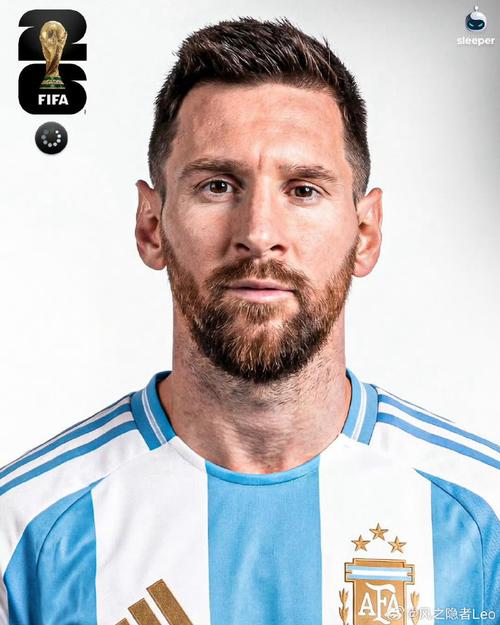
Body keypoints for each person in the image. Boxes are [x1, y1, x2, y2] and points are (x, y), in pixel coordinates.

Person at [0, 17, 498, 625]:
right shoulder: (23, 533)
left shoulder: (484, 519)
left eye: (303, 190)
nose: (260, 234)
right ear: (151, 226)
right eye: (217, 185)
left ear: (365, 234)